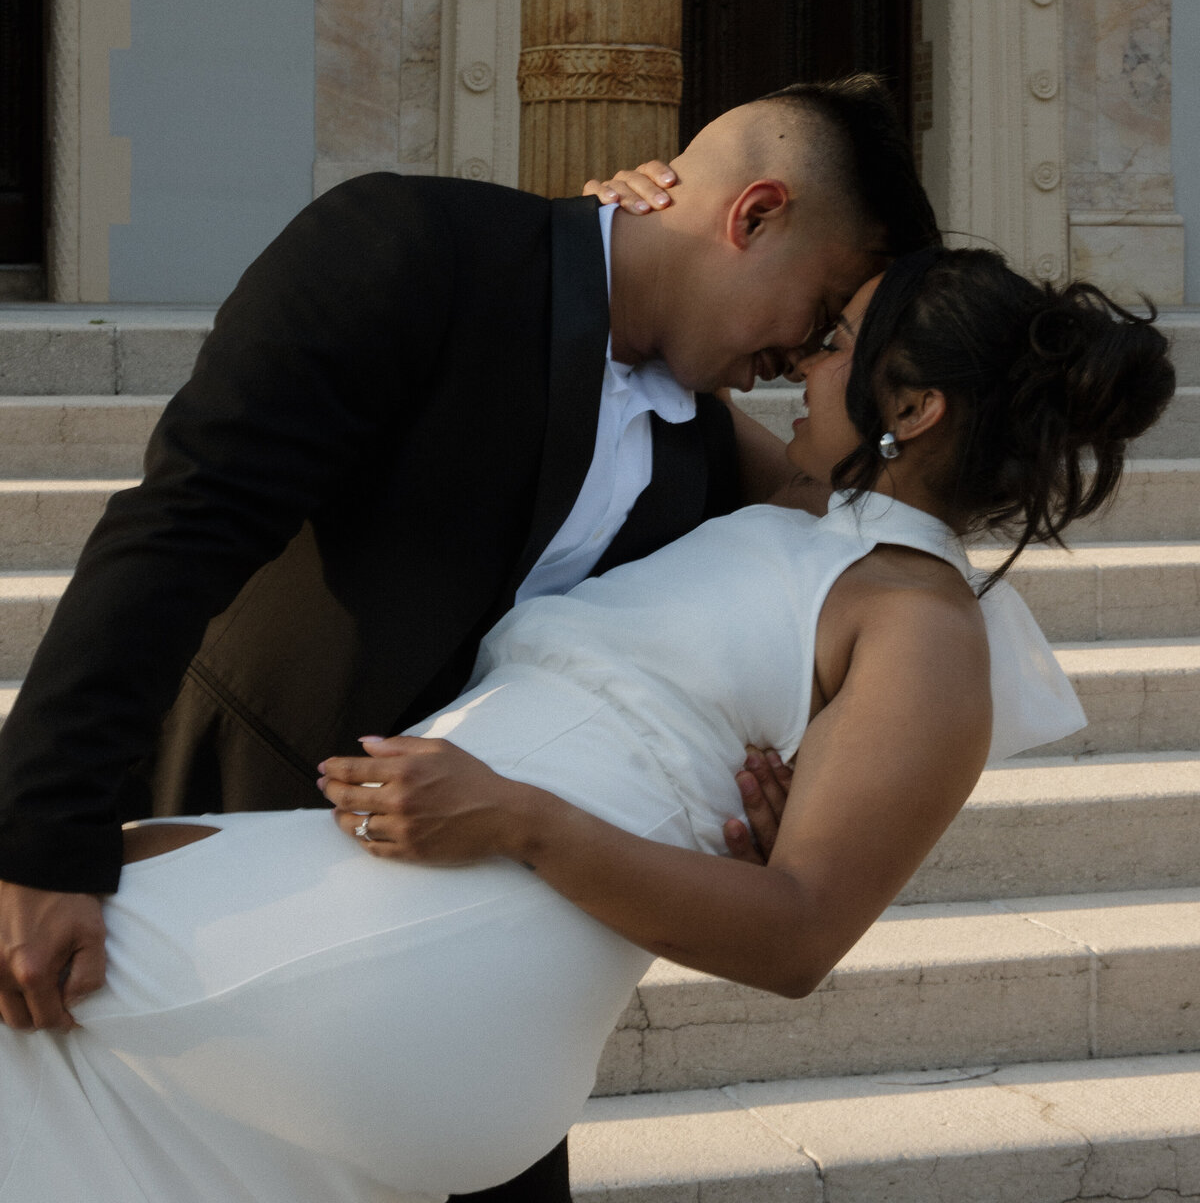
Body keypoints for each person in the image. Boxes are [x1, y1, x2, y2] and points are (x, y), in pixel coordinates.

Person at [0, 247, 1173, 1202]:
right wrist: (627, 216)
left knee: (28, 975)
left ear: (909, 408)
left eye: (835, 345)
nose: (801, 365)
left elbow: (798, 938)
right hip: (397, 907)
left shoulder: (926, 630)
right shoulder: (811, 515)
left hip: (451, 944)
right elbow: (670, 358)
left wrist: (519, 820)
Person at [0, 78, 937, 1203]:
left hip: (473, 972)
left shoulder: (706, 460)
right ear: (753, 216)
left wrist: (762, 800)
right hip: (224, 858)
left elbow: (831, 555)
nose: (806, 355)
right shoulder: (413, 247)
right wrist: (41, 839)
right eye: (826, 311)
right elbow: (181, 528)